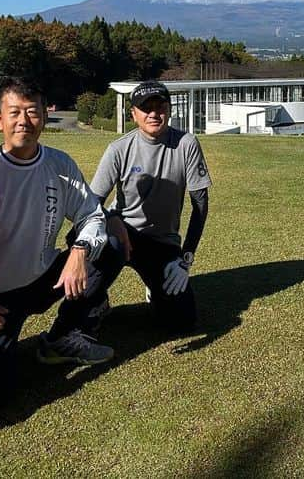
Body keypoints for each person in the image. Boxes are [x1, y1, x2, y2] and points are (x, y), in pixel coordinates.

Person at [0, 77, 116, 406]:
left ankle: (65, 336)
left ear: (45, 115)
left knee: (111, 242)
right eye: (14, 112)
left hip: (43, 280)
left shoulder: (59, 164)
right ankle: (0, 343)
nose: (23, 121)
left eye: (32, 111)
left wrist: (80, 251)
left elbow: (92, 215)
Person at [89, 81, 212, 333]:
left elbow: (200, 204)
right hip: (122, 233)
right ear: (134, 114)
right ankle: (96, 299)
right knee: (102, 253)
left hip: (162, 242)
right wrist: (107, 227)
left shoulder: (186, 144)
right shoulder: (118, 149)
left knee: (181, 320)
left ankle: (155, 287)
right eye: (146, 108)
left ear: (169, 109)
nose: (154, 113)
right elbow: (91, 205)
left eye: (160, 106)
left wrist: (185, 259)